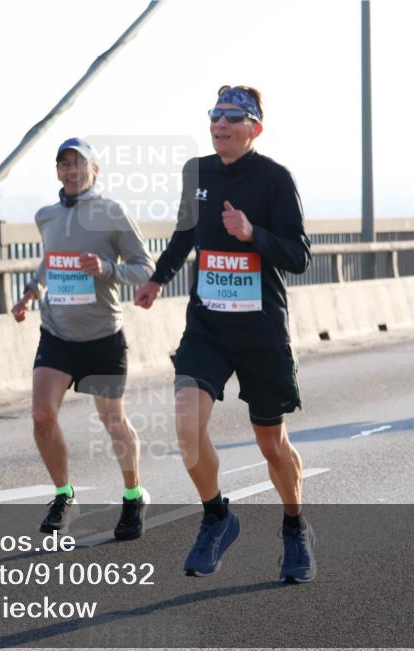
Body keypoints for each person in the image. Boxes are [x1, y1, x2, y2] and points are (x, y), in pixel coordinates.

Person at [134, 86, 314, 579]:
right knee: (187, 429)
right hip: (208, 326)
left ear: (255, 127)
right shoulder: (197, 172)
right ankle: (217, 517)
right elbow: (185, 236)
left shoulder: (275, 179)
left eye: (232, 117)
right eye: (215, 114)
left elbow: (299, 255)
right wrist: (156, 279)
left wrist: (253, 234)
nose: (219, 123)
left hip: (260, 330)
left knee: (271, 444)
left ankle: (295, 527)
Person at [13, 137, 155, 540]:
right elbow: (50, 261)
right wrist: (29, 294)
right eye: (63, 165)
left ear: (95, 169)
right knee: (42, 414)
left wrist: (107, 268)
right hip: (57, 333)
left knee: (113, 421)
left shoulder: (112, 212)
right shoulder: (47, 216)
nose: (71, 172)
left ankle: (132, 495)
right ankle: (63, 494)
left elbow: (144, 268)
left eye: (79, 164)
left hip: (102, 336)